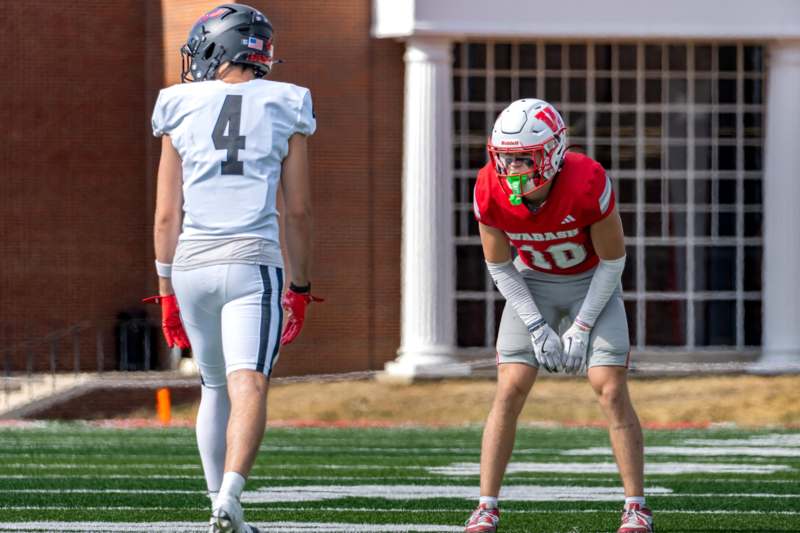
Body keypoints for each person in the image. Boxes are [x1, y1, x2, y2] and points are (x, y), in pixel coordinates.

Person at [144, 4, 321, 532]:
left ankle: (216, 504)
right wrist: (303, 285)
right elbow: (298, 211)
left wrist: (166, 291)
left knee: (214, 387)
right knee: (251, 384)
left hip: (192, 263)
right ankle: (231, 497)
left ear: (216, 47)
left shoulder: (177, 104)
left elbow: (164, 216)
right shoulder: (287, 102)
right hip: (253, 263)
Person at [464, 99, 652, 533]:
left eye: (521, 158)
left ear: (552, 152)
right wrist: (535, 324)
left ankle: (636, 505)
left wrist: (582, 327)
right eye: (502, 157)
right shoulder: (489, 188)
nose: (510, 168)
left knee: (608, 386)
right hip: (534, 282)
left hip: (592, 281)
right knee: (510, 386)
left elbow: (612, 261)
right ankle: (486, 505)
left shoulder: (587, 180)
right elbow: (499, 265)